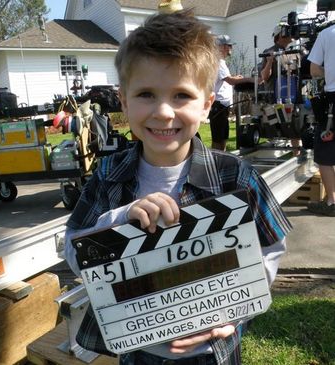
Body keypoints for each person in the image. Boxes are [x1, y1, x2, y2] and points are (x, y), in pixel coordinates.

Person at [64, 9, 291, 365]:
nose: (164, 112)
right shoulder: (109, 174)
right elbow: (74, 250)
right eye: (146, 94)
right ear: (123, 101)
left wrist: (236, 308)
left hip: (214, 351)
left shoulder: (236, 176)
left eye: (182, 95)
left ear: (207, 105)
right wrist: (118, 221)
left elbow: (270, 246)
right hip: (138, 349)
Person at [306, 24, 335, 216]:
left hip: (333, 100)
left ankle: (332, 201)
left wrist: (330, 74)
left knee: (325, 152)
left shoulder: (327, 33)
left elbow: (314, 69)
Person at [260, 23, 301, 153]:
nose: (291, 35)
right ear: (281, 35)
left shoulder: (294, 53)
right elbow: (264, 77)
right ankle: (273, 159)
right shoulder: (269, 52)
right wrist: (270, 61)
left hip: (292, 96)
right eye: (288, 32)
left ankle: (296, 156)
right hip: (273, 97)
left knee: (295, 130)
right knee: (275, 129)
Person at [209, 35, 255, 151]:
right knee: (218, 139)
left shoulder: (221, 62)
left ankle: (221, 160)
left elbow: (226, 78)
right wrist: (250, 79)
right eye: (229, 46)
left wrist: (237, 77)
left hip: (222, 106)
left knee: (223, 137)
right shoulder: (218, 62)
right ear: (222, 47)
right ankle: (215, 164)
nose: (231, 48)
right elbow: (230, 81)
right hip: (218, 106)